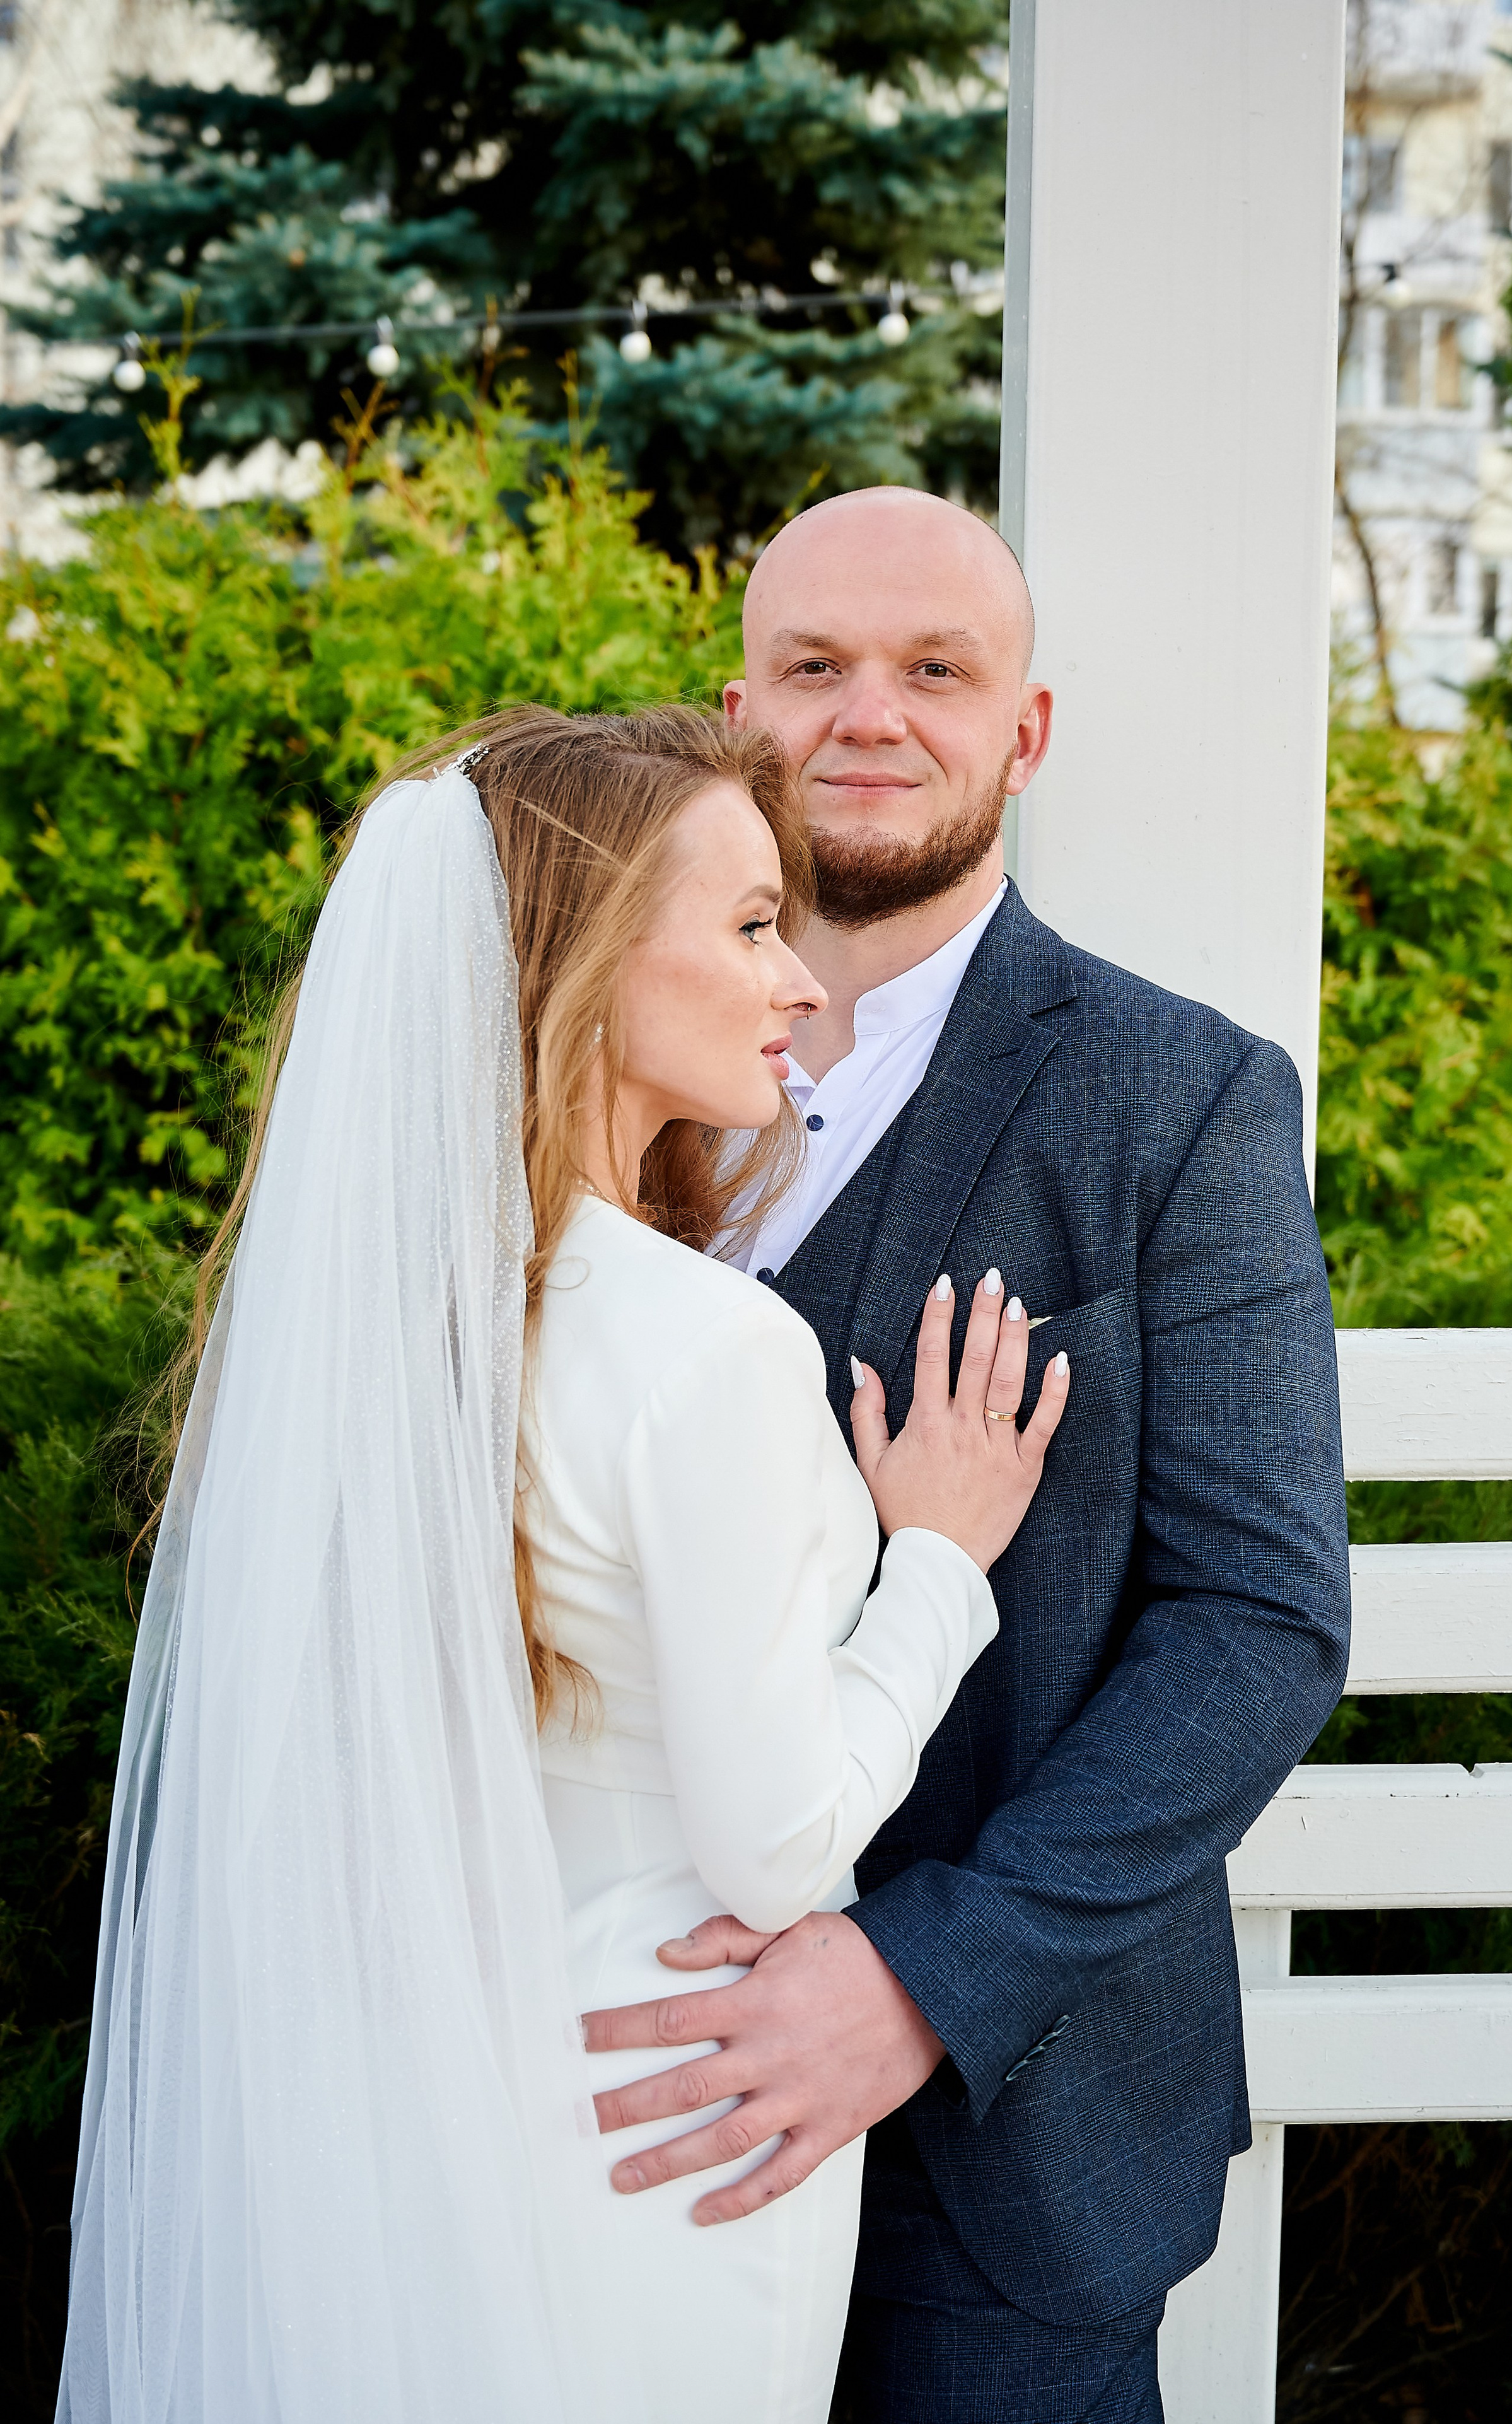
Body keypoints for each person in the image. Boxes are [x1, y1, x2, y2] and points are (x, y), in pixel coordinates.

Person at [55, 702, 1069, 2424]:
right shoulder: (707, 1350)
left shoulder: (405, 1339)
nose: (802, 980)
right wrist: (940, 1568)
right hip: (683, 2109)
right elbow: (777, 1840)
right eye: (753, 925)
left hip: (441, 2107)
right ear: (591, 961)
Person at [579, 491, 1354, 2424]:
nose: (872, 714)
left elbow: (1257, 1622)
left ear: (1028, 729)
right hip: (619, 2098)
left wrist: (923, 1976)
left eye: (939, 670)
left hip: (1012, 2145)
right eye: (818, 666)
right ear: (734, 706)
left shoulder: (1185, 1102)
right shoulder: (590, 1087)